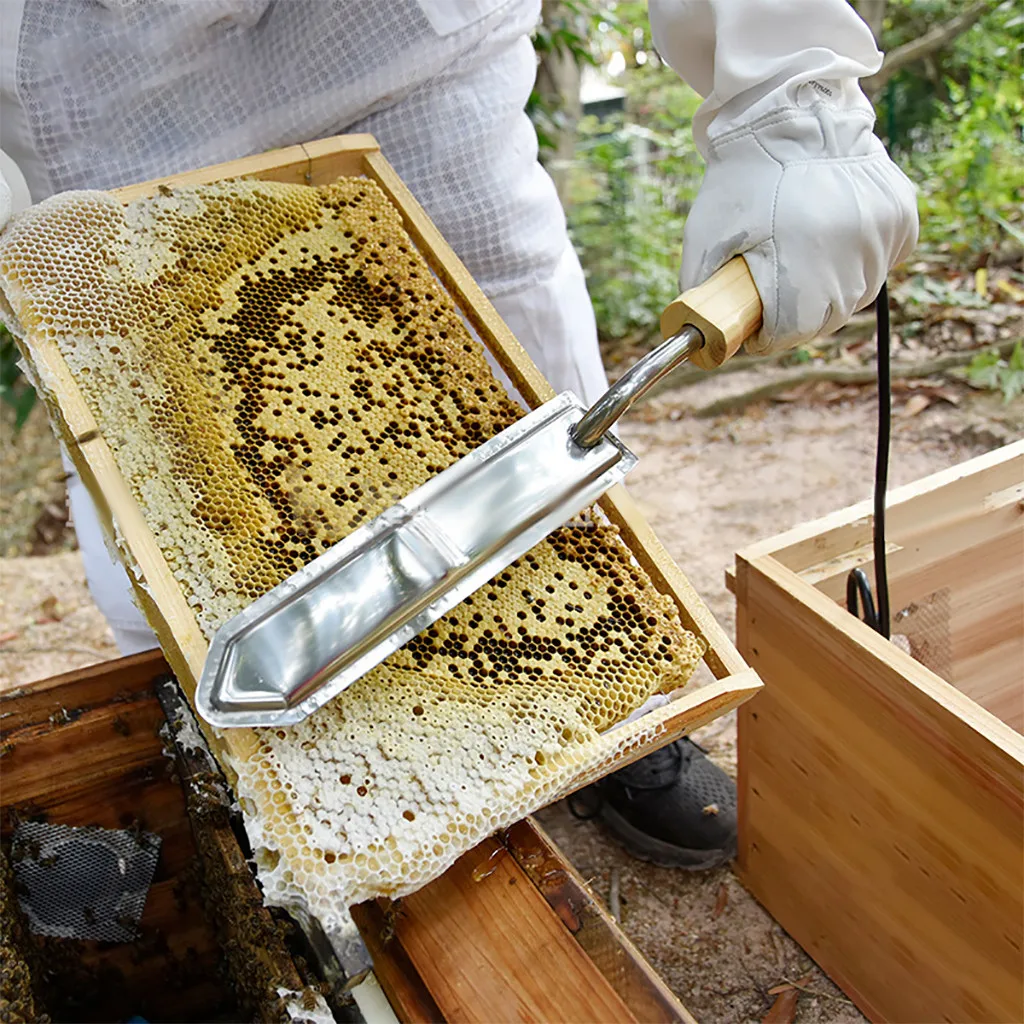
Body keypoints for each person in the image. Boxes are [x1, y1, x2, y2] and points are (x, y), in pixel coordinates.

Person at [0, 0, 917, 870]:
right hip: (100, 75)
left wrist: (794, 101)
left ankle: (596, 699)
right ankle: (276, 760)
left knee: (510, 346)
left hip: (409, 44)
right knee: (169, 448)